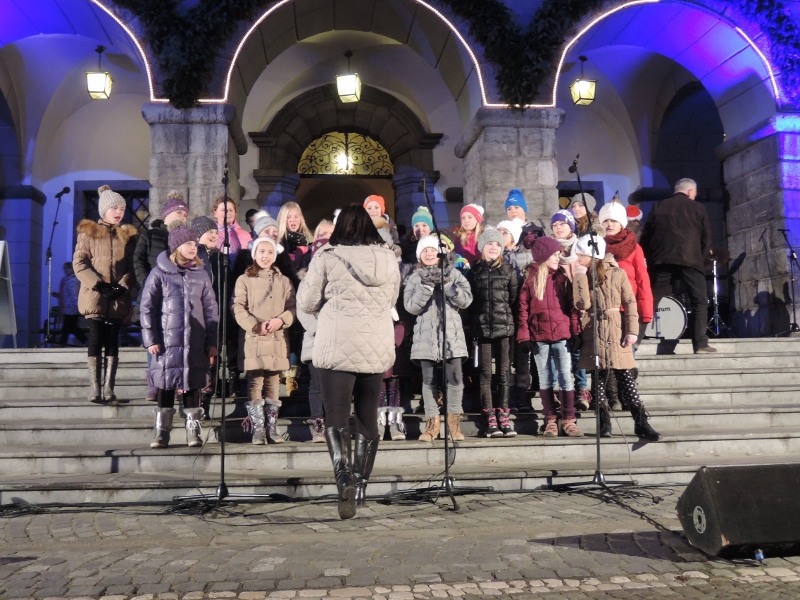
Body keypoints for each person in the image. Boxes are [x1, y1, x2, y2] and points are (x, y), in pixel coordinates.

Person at [297, 204, 400, 519]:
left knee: (337, 415)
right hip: (375, 344)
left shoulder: (327, 256)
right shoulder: (388, 259)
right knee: (368, 415)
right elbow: (393, 299)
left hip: (337, 343)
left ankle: (344, 478)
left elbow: (306, 301)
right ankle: (362, 482)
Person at [572, 235, 662, 441]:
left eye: (581, 254)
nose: (577, 258)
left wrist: (632, 330)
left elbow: (630, 302)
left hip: (615, 328)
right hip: (594, 329)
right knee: (598, 379)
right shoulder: (583, 275)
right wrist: (578, 277)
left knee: (625, 377)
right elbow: (582, 304)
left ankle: (641, 422)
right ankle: (604, 423)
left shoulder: (618, 273)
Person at [140, 225, 218, 448]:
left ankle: (193, 430)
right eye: (188, 244)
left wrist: (211, 341)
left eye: (195, 244)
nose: (193, 248)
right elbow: (147, 307)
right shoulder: (159, 274)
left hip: (195, 342)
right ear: (176, 246)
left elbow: (211, 310)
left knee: (193, 384)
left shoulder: (201, 275)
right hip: (167, 343)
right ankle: (161, 431)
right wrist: (151, 338)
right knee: (166, 385)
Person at [73, 185, 138, 404]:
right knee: (95, 338)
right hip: (95, 296)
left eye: (122, 208)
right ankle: (95, 389)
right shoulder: (89, 233)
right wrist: (99, 285)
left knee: (112, 341)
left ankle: (109, 388)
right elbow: (79, 262)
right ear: (104, 211)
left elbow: (132, 265)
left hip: (118, 298)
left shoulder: (127, 236)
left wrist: (122, 286)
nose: (119, 212)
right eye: (114, 208)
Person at [405, 235, 472, 442]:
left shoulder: (454, 274)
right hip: (426, 337)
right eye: (424, 251)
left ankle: (453, 423)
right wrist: (425, 289)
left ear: (440, 253)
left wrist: (448, 286)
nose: (429, 254)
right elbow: (411, 307)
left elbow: (466, 300)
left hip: (451, 336)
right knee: (429, 380)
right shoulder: (414, 278)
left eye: (432, 250)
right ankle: (433, 423)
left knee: (454, 379)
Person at [233, 237, 296, 445]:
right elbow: (238, 307)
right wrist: (254, 325)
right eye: (261, 252)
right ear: (254, 254)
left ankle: (272, 427)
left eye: (270, 252)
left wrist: (281, 320)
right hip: (255, 338)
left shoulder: (284, 281)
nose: (265, 256)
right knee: (255, 381)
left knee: (273, 382)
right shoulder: (244, 280)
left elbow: (293, 308)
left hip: (277, 338)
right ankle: (258, 429)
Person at [641, 178, 716, 353]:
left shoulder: (659, 206)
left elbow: (647, 236)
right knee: (699, 301)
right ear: (690, 191)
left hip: (662, 261)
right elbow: (706, 239)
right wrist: (701, 261)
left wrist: (651, 261)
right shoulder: (698, 208)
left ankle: (635, 340)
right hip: (691, 260)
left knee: (650, 301)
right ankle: (700, 343)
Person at [517, 236, 582, 437]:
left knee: (565, 376)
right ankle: (550, 419)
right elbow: (523, 310)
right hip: (539, 336)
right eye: (555, 254)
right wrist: (524, 336)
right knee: (545, 378)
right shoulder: (530, 279)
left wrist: (575, 331)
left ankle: (569, 418)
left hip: (561, 335)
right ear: (544, 256)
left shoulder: (561, 277)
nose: (558, 257)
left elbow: (572, 307)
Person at [134, 190, 190, 401]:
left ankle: (175, 383)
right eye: (177, 213)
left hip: (176, 299)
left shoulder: (185, 238)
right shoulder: (150, 235)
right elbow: (138, 261)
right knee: (154, 339)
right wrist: (148, 284)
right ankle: (155, 383)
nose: (181, 217)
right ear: (166, 215)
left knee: (175, 340)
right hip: (154, 296)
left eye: (184, 215)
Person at [467, 228, 518, 437]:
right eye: (489, 244)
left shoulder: (508, 270)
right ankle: (489, 415)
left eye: (497, 245)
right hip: (482, 329)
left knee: (504, 373)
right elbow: (470, 302)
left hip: (504, 328)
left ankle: (503, 414)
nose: (493, 248)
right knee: (486, 373)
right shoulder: (474, 271)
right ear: (482, 248)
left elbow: (512, 299)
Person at [548, 209, 591, 410]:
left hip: (577, 308)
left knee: (576, 350)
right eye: (555, 225)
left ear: (571, 226)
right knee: (559, 352)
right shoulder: (548, 249)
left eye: (562, 224)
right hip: (556, 308)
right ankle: (561, 391)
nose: (558, 228)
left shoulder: (579, 249)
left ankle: (582, 389)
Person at [296, 236, 332, 443]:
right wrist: (320, 329)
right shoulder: (306, 281)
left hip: (336, 341)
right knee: (317, 384)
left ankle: (334, 423)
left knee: (334, 385)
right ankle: (318, 423)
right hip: (315, 339)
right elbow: (303, 310)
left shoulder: (337, 277)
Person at [497, 219, 534, 412]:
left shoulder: (526, 257)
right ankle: (507, 394)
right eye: (499, 231)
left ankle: (522, 395)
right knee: (505, 356)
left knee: (521, 356)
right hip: (502, 311)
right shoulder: (496, 256)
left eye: (505, 232)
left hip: (520, 310)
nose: (502, 234)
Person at [213, 195, 252, 264]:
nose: (228, 212)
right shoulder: (210, 235)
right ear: (215, 213)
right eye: (224, 210)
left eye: (231, 210)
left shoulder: (245, 235)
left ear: (235, 213)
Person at [54, 262, 86, 346]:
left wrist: (77, 305)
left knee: (70, 326)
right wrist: (58, 295)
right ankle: (64, 342)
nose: (65, 271)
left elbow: (74, 294)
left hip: (72, 307)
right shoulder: (67, 279)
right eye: (64, 269)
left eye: (68, 269)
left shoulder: (73, 280)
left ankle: (64, 342)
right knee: (69, 326)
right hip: (68, 307)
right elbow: (66, 294)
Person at [399, 206, 434, 273]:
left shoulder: (437, 245)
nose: (420, 230)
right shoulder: (405, 247)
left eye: (424, 225)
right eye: (416, 226)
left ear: (430, 228)